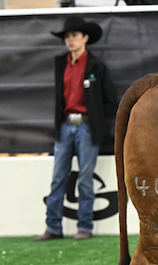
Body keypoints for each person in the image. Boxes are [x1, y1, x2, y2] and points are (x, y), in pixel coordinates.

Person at [34, 16, 116, 242]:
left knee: (85, 179)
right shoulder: (61, 63)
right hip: (64, 126)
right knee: (58, 177)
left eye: (74, 36)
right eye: (67, 37)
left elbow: (110, 99)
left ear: (85, 38)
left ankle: (85, 227)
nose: (70, 40)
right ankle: (53, 227)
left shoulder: (96, 66)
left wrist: (95, 120)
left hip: (87, 127)